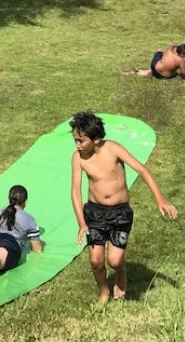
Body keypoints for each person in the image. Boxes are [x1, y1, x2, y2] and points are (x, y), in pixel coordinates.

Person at [70, 111, 178, 303]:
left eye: (81, 140)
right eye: (75, 140)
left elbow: (142, 170)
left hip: (120, 213)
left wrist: (160, 199)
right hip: (95, 212)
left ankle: (121, 274)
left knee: (114, 260)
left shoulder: (113, 149)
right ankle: (104, 291)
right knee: (96, 261)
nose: (77, 145)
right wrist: (81, 223)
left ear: (95, 139)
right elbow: (76, 191)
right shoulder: (78, 158)